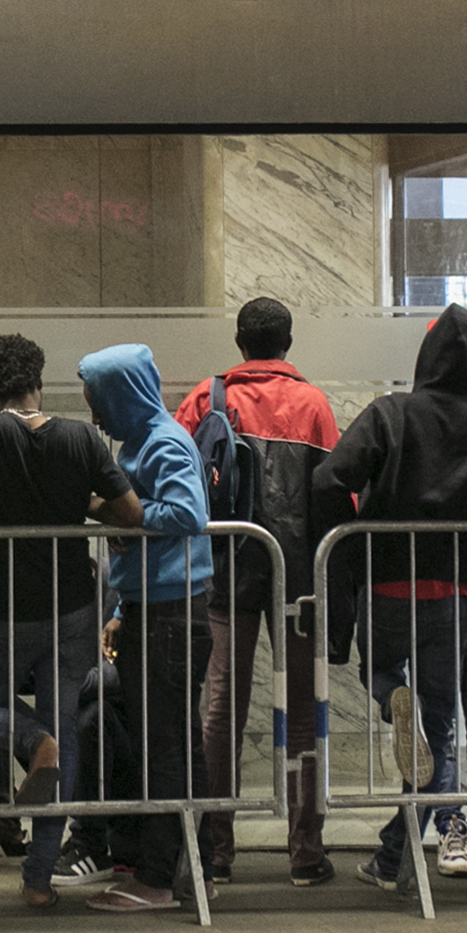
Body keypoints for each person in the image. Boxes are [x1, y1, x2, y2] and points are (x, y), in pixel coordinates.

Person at [314, 304, 467, 895]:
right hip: (456, 594)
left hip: (387, 583)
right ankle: (394, 861)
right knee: (439, 732)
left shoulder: (391, 412)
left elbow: (329, 478)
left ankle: (393, 696)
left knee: (382, 670)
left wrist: (363, 521)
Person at [0, 333, 133, 908]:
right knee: (66, 726)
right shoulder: (80, 436)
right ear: (39, 380)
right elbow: (129, 512)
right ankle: (39, 880)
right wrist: (79, 504)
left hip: (6, 607)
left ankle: (33, 742)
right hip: (72, 608)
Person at [175, 298, 340, 884]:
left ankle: (217, 854)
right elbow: (335, 499)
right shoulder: (314, 404)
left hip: (223, 571)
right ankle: (305, 854)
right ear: (288, 342)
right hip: (298, 579)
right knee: (302, 712)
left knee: (221, 711)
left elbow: (178, 479)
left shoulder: (206, 399)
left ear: (240, 341)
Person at [80, 342, 214, 914]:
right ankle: (189, 870)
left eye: (98, 400)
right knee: (177, 746)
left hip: (169, 616)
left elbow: (187, 514)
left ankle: (158, 878)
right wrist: (119, 611)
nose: (95, 415)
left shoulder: (161, 442)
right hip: (155, 611)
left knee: (168, 751)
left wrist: (115, 512)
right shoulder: (146, 440)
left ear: (123, 394)